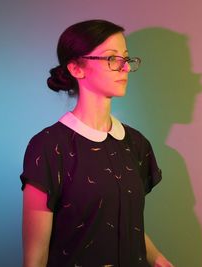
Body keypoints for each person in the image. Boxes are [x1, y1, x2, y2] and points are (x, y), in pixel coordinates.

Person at [20, 19, 174, 267]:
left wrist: (158, 259)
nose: (124, 68)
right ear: (76, 68)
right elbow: (35, 257)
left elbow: (124, 225)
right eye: (112, 58)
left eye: (126, 58)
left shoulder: (136, 144)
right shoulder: (49, 147)